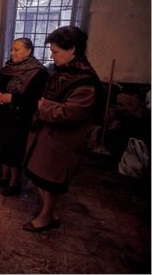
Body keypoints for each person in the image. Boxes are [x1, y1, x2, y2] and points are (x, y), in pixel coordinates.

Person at [23, 26, 101, 232]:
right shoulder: (63, 73)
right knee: (39, 177)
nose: (52, 55)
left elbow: (71, 113)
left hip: (61, 141)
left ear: (72, 50)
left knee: (50, 181)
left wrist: (42, 106)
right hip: (46, 135)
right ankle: (50, 212)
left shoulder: (85, 81)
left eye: (56, 51)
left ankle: (46, 217)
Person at [0, 38, 48, 196]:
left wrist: (12, 99)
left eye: (17, 49)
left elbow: (35, 98)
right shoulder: (8, 68)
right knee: (1, 147)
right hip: (2, 114)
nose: (12, 53)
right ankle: (4, 177)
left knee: (14, 150)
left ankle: (14, 182)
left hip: (20, 117)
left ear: (28, 51)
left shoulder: (38, 72)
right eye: (12, 49)